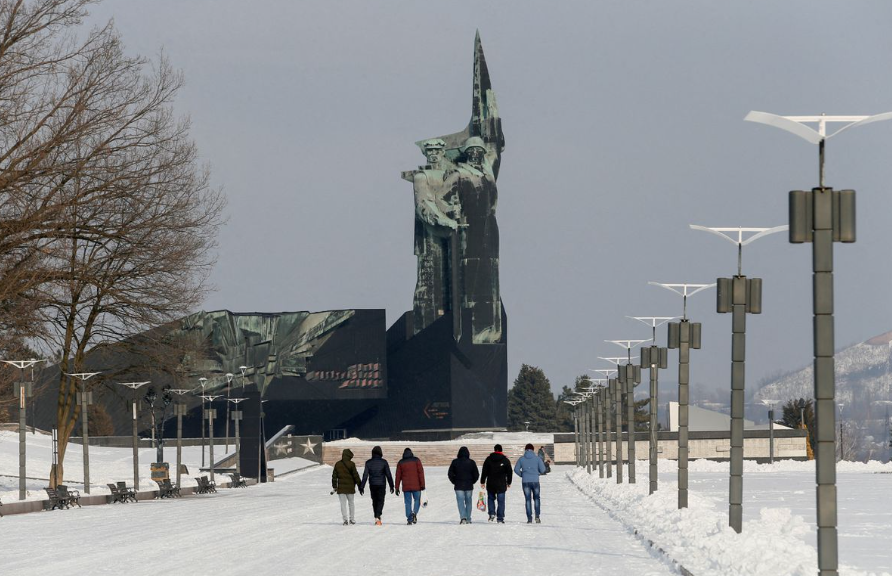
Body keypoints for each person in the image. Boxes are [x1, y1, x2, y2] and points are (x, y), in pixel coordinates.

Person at [360, 446, 394, 526]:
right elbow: (388, 474)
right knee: (380, 500)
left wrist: (362, 486)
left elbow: (365, 475)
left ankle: (377, 516)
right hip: (381, 484)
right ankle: (378, 516)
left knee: (374, 500)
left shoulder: (368, 462)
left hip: (372, 484)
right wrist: (391, 485)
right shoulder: (384, 462)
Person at [480, 443, 512, 523]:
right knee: (501, 501)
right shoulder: (505, 460)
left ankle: (491, 514)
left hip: (491, 483)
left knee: (491, 499)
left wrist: (482, 481)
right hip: (501, 483)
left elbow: (484, 471)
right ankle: (500, 518)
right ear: (501, 450)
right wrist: (509, 482)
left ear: (494, 450)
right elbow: (509, 472)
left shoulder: (488, 459)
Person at [515, 443, 547, 523]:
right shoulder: (537, 459)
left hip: (525, 481)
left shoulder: (521, 459)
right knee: (536, 498)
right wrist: (537, 472)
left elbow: (516, 469)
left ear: (525, 450)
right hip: (535, 481)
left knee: (527, 499)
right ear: (533, 450)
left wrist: (522, 474)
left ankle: (529, 518)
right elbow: (543, 470)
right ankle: (537, 516)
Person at [447, 446, 479, 524]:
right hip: (469, 485)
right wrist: (472, 481)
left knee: (460, 501)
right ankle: (468, 518)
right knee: (468, 501)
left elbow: (450, 473)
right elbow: (476, 474)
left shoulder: (455, 462)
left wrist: (454, 481)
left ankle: (463, 517)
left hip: (458, 485)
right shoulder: (471, 462)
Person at [395, 447, 426, 525]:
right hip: (417, 486)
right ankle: (414, 513)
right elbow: (420, 473)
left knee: (408, 503)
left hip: (406, 487)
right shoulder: (416, 460)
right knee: (417, 500)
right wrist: (422, 485)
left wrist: (397, 487)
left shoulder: (401, 462)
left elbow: (398, 476)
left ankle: (409, 518)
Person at [331, 448, 362, 525]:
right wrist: (360, 485)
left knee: (343, 504)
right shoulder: (352, 464)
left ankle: (345, 520)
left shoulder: (337, 464)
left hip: (341, 488)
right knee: (351, 503)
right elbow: (356, 475)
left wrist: (335, 486)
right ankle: (352, 519)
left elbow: (334, 476)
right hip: (350, 487)